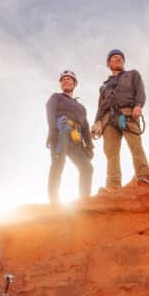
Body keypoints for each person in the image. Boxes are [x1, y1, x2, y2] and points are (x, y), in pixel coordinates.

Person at [90, 49, 149, 190]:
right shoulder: (104, 86)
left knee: (135, 146)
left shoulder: (132, 75)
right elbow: (100, 106)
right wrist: (96, 122)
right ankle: (113, 186)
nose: (119, 59)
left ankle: (143, 177)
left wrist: (139, 105)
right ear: (108, 63)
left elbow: (140, 91)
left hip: (127, 113)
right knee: (111, 153)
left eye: (121, 58)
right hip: (108, 119)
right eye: (115, 57)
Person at [46, 70, 94, 205]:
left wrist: (89, 145)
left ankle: (84, 201)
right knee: (58, 164)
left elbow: (85, 126)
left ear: (75, 83)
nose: (66, 81)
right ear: (61, 84)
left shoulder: (81, 108)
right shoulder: (56, 97)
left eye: (69, 79)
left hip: (76, 139)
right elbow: (50, 113)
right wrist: (53, 132)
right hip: (60, 133)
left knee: (87, 168)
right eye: (63, 79)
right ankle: (54, 202)